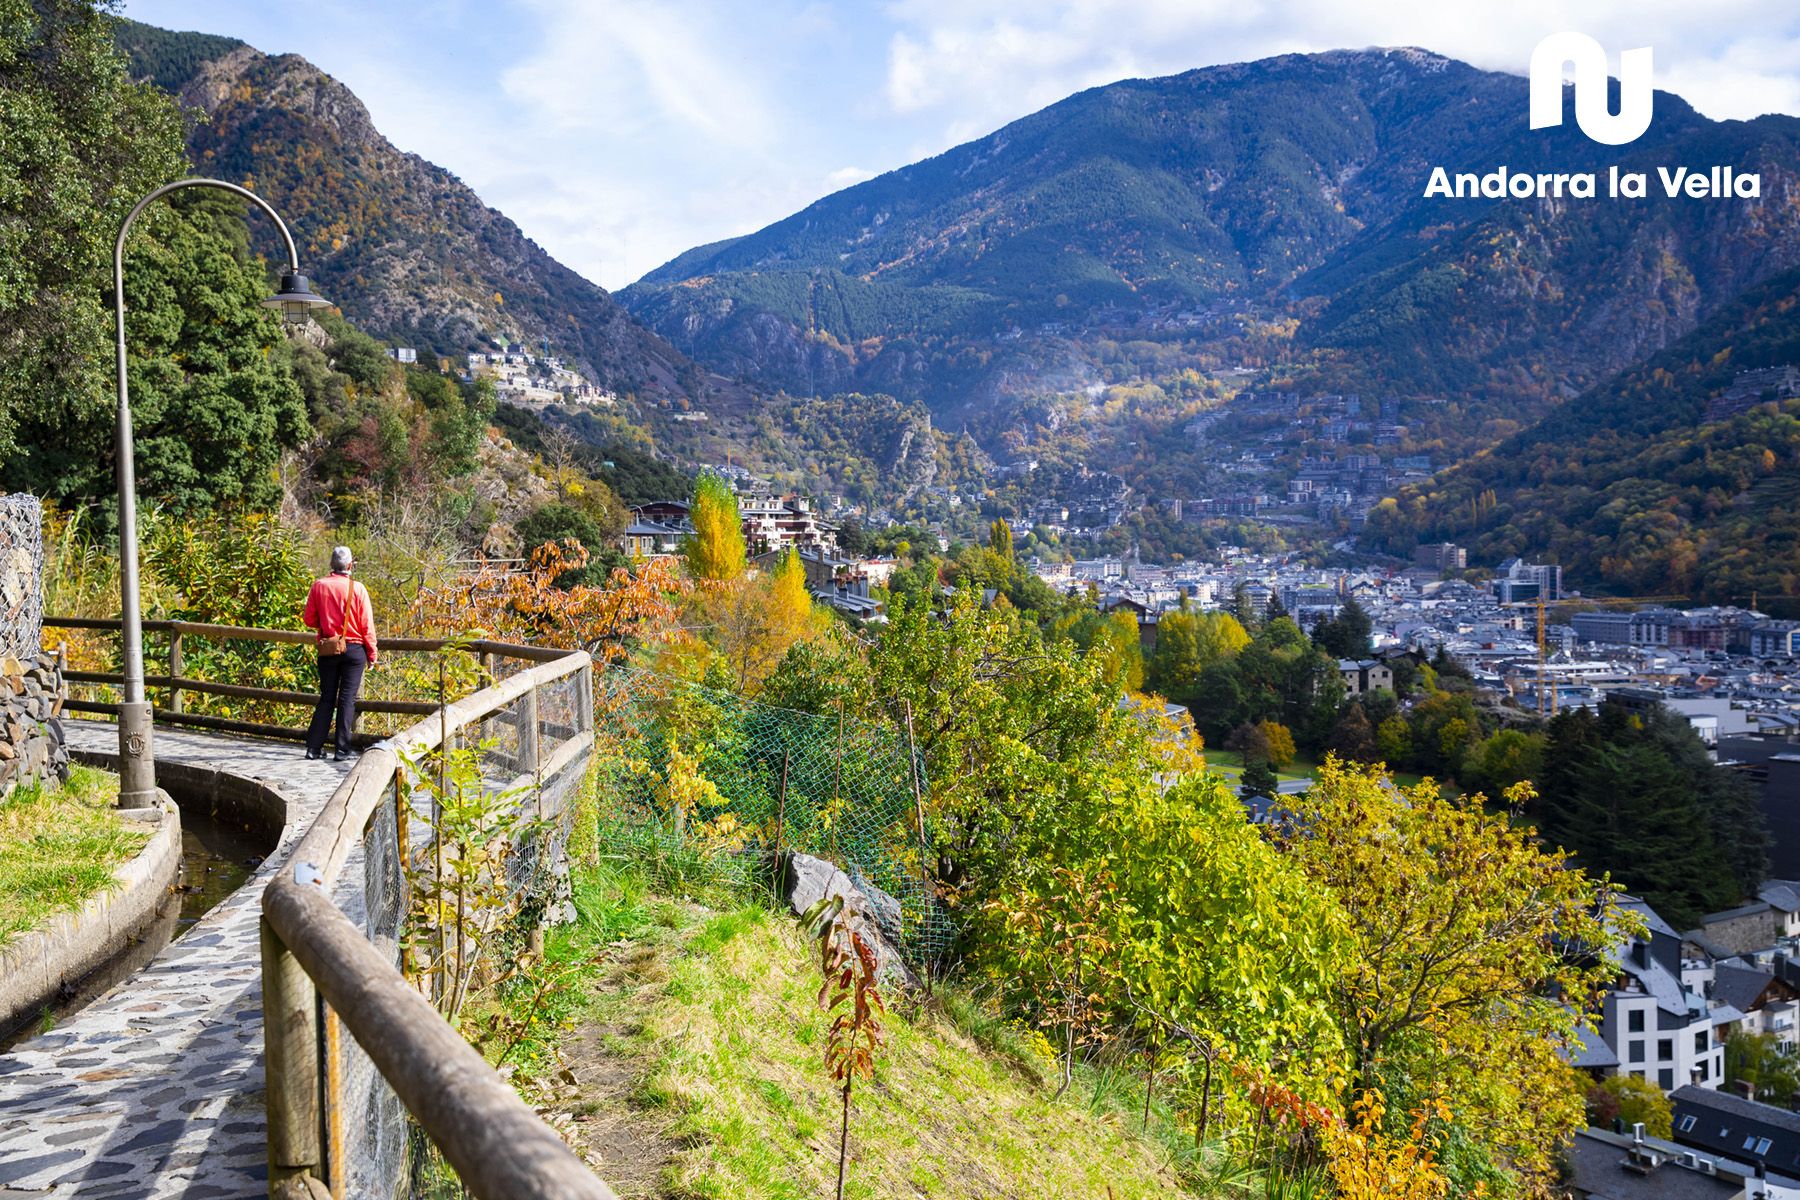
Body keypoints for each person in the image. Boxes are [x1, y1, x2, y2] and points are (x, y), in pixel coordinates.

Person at [302, 546, 379, 761]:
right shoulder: (358, 589)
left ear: (330, 565)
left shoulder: (319, 586)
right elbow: (367, 626)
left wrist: (327, 625)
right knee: (347, 700)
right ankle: (342, 750)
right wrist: (372, 654)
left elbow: (309, 620)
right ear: (350, 565)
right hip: (354, 650)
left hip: (328, 647)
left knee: (326, 698)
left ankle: (314, 748)